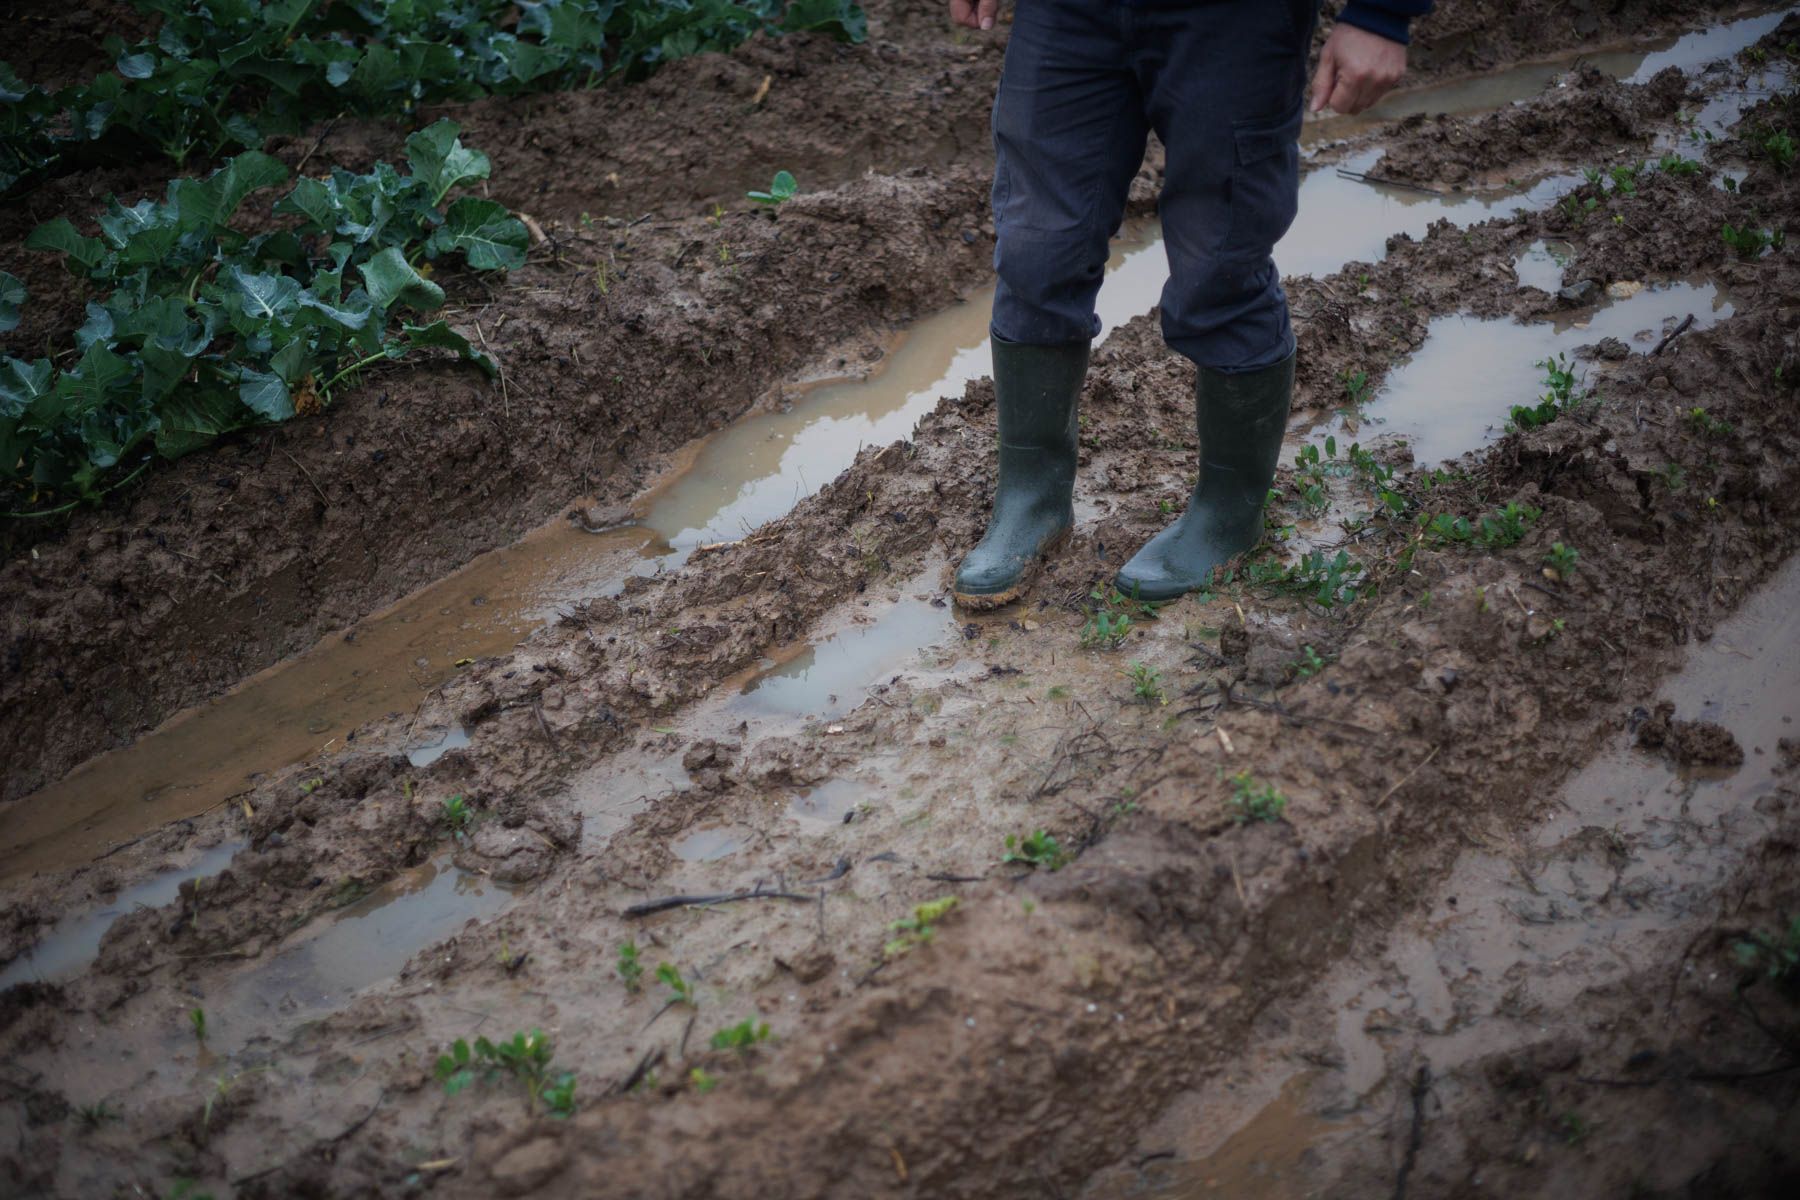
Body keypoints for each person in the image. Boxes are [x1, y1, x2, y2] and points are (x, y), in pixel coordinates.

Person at [948, 0, 1429, 608]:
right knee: (1036, 252)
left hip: (1234, 22)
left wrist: (1382, 14)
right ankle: (1033, 501)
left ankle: (1228, 514)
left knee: (1219, 265)